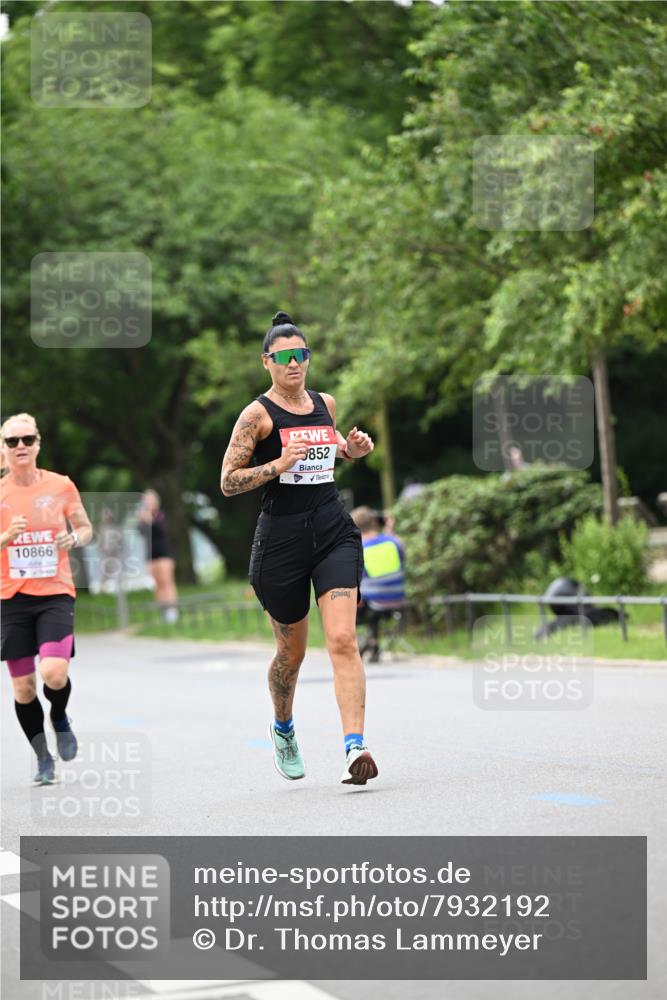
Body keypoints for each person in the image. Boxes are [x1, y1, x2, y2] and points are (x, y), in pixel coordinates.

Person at [220, 311, 378, 786]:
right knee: (292, 655)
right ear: (267, 362)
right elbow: (228, 481)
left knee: (343, 639)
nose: (294, 363)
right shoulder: (257, 415)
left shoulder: (325, 403)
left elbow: (329, 451)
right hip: (281, 542)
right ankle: (284, 727)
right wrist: (276, 465)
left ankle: (355, 747)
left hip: (332, 532)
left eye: (301, 354)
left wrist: (351, 450)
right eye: (285, 356)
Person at [0, 413, 92, 785]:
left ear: (38, 444)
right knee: (24, 689)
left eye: (27, 439)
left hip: (55, 592)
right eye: (12, 441)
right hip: (10, 598)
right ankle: (42, 758)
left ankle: (59, 715)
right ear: (3, 448)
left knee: (54, 674)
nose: (20, 446)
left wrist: (74, 538)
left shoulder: (60, 485)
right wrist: (6, 537)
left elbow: (85, 527)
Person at [351, 506, 406, 662]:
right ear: (375, 522)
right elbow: (396, 546)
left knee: (352, 603)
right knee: (370, 604)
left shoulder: (359, 548)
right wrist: (389, 527)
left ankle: (366, 643)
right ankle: (373, 644)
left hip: (372, 602)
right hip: (398, 599)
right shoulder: (395, 542)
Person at [137, 489, 179, 623]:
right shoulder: (143, 516)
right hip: (150, 555)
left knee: (167, 582)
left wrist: (149, 520)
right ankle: (163, 611)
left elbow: (160, 530)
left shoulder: (161, 515)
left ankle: (172, 610)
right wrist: (141, 520)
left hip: (163, 554)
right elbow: (141, 532)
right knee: (157, 584)